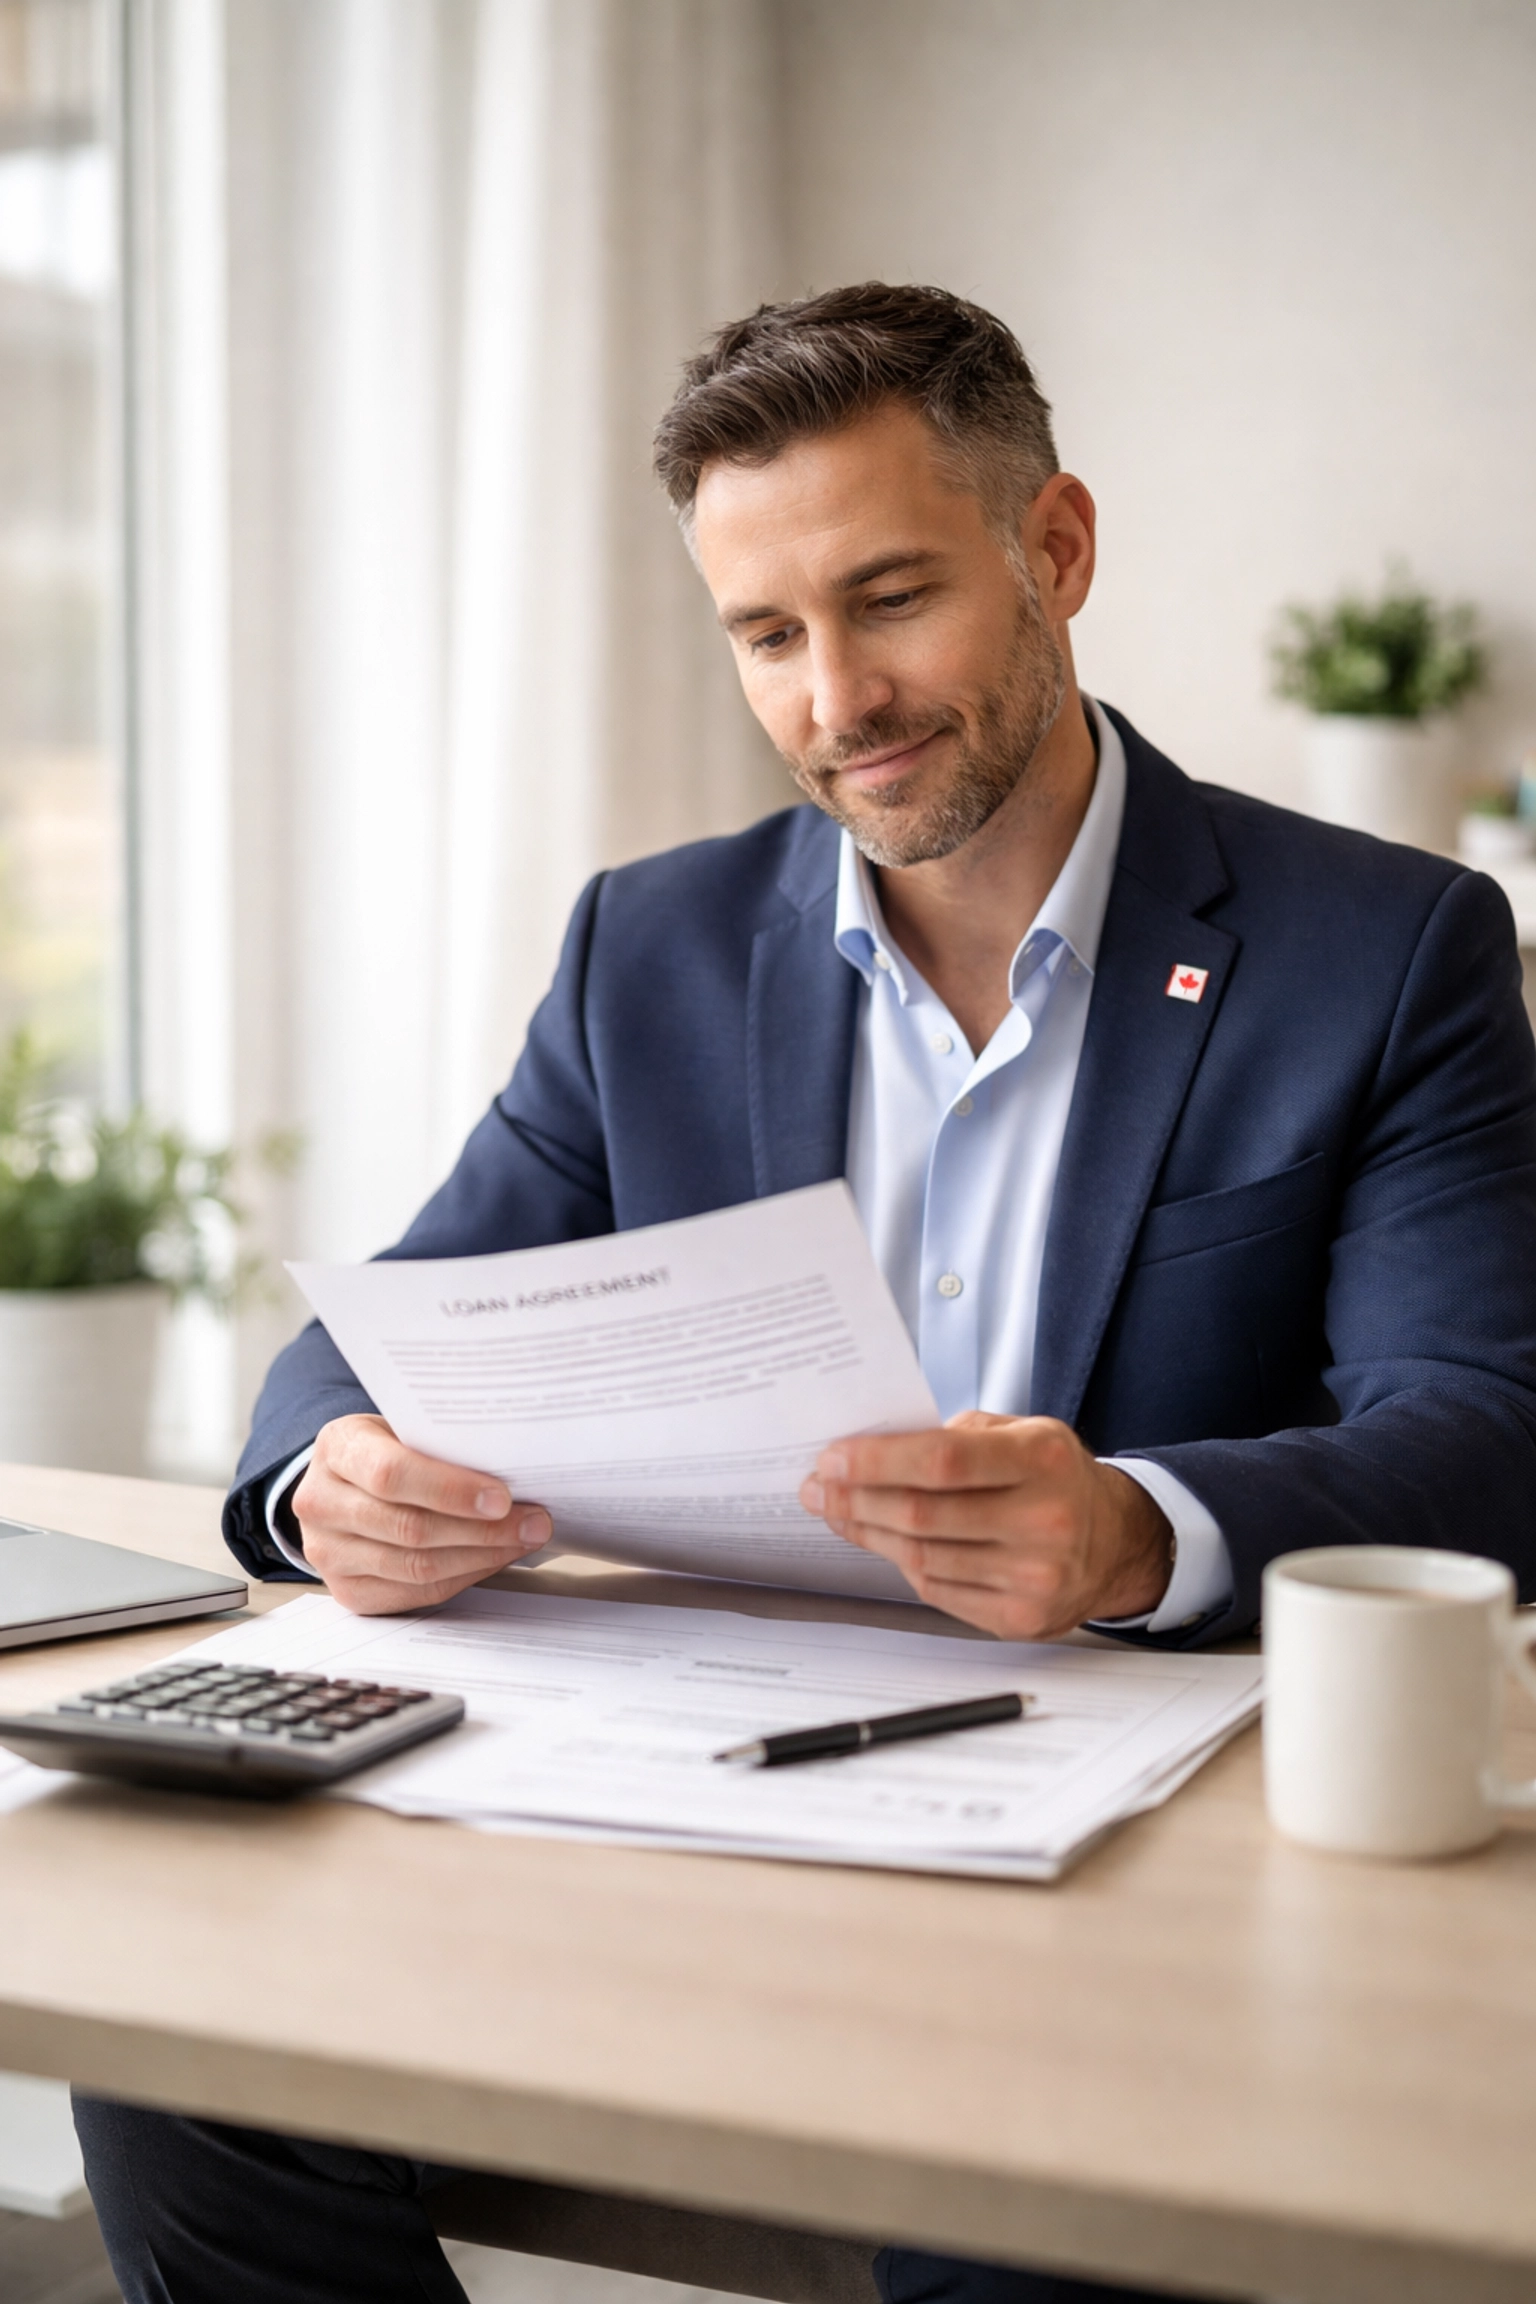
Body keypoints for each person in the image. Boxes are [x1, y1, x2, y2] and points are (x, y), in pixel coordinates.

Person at [77, 284, 1536, 2304]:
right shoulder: (652, 948)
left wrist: (1135, 1527)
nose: (838, 696)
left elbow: (1483, 1430)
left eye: (890, 599)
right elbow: (383, 1326)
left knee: (1012, 2220)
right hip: (687, 1786)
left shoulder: (1384, 951)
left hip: (1120, 1848)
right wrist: (333, 1472)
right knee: (186, 2067)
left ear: (1057, 550)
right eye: (767, 634)